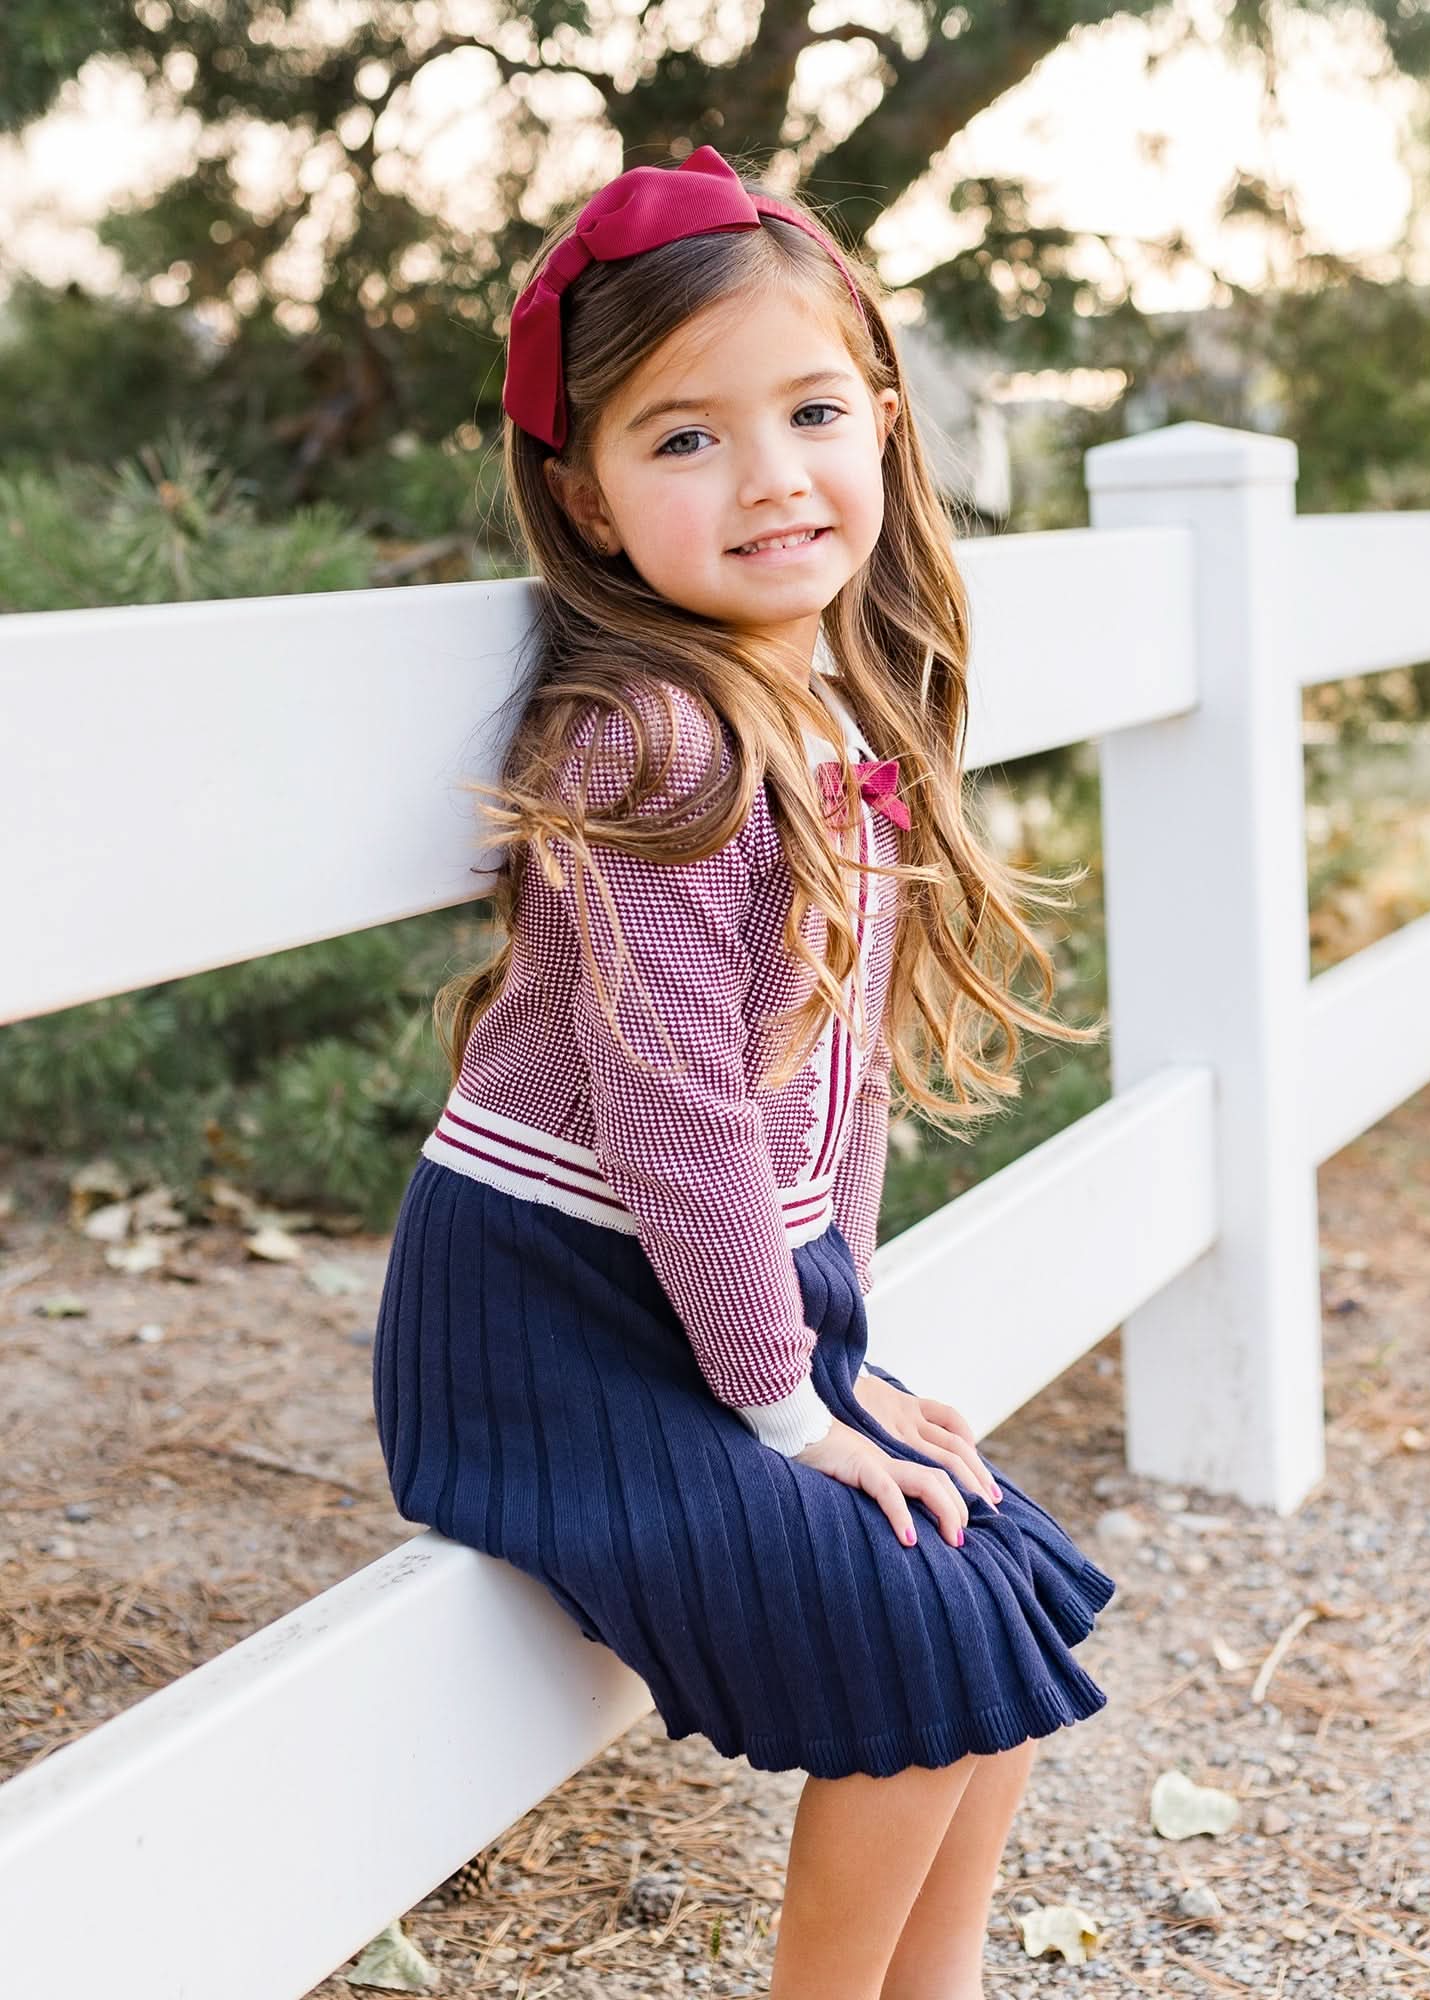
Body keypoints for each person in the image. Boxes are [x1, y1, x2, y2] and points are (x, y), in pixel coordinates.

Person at [369, 143, 1118, 1999]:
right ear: (596, 503)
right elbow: (678, 1113)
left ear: (880, 422)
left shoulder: (824, 724)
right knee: (916, 1630)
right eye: (683, 438)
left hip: (688, 1306)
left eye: (807, 412)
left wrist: (848, 1367)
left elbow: (832, 1095)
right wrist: (791, 1412)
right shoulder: (659, 745)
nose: (771, 476)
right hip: (543, 1334)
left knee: (990, 1586)